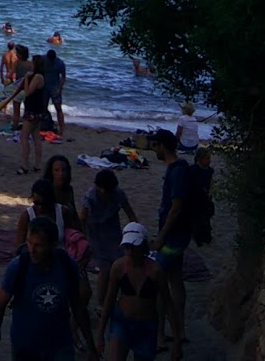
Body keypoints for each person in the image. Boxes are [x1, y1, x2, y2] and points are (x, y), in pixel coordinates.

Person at [0, 218, 98, 361]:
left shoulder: (67, 266)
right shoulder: (18, 267)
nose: (32, 250)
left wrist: (91, 346)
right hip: (25, 346)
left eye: (39, 245)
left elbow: (77, 305)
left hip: (60, 345)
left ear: (53, 245)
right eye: (29, 243)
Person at [148, 130, 191, 361]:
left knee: (158, 283)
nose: (154, 150)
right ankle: (180, 331)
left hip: (173, 237)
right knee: (176, 281)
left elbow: (176, 207)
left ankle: (160, 336)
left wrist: (161, 236)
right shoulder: (180, 168)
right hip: (180, 236)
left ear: (163, 147)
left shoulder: (176, 173)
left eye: (155, 146)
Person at [98, 223, 163, 361]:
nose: (130, 252)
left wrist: (176, 339)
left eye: (134, 247)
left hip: (146, 324)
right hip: (122, 321)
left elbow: (167, 303)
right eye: (127, 247)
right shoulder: (119, 267)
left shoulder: (155, 271)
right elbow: (109, 300)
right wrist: (100, 333)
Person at [83, 169, 139, 307]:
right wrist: (85, 241)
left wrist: (136, 234)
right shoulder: (90, 197)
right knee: (105, 268)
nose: (104, 193)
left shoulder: (118, 194)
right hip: (95, 231)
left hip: (112, 230)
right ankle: (102, 304)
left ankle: (116, 298)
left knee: (119, 265)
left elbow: (130, 214)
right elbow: (82, 219)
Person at [18, 55, 48, 174]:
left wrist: (26, 79)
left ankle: (25, 165)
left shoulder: (37, 77)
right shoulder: (40, 76)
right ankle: (37, 164)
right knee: (36, 137)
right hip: (37, 110)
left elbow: (28, 92)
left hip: (32, 111)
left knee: (24, 137)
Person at [44, 154, 82, 229]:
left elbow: (74, 215)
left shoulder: (68, 189)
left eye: (64, 170)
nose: (61, 174)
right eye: (56, 170)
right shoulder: (46, 191)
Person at [45, 48, 68, 138]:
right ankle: (47, 125)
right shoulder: (43, 60)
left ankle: (62, 129)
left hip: (55, 88)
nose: (50, 61)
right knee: (43, 108)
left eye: (51, 60)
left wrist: (60, 88)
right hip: (45, 87)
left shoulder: (60, 63)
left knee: (58, 108)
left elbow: (63, 76)